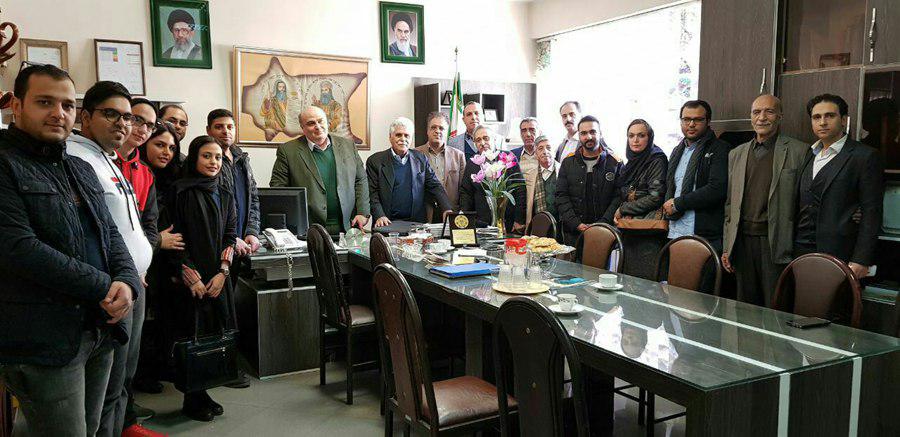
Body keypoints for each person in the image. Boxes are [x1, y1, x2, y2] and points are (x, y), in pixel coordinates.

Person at [0, 64, 139, 436]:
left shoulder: (79, 167)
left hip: (98, 328)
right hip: (44, 337)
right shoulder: (5, 164)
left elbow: (111, 235)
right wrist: (104, 285)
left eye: (67, 105)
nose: (58, 113)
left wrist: (127, 281)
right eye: (44, 102)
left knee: (89, 428)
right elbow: (18, 248)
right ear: (17, 105)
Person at [67, 81, 154, 437]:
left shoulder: (108, 158)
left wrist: (137, 267)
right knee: (103, 391)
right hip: (110, 289)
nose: (123, 124)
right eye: (111, 114)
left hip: (133, 282)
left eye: (127, 117)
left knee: (122, 379)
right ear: (86, 117)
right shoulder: (75, 157)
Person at [167, 136, 237, 421]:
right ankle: (192, 398)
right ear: (194, 157)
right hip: (191, 280)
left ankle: (203, 392)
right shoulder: (179, 192)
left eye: (218, 157)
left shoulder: (225, 193)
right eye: (206, 156)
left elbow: (230, 235)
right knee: (191, 335)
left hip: (217, 279)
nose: (213, 162)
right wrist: (189, 275)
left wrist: (223, 272)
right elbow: (173, 238)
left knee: (213, 334)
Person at [722, 95, 809, 307]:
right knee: (745, 307)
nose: (762, 117)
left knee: (776, 307)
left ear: (780, 116)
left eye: (769, 111)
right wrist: (727, 246)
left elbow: (805, 204)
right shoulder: (736, 154)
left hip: (777, 243)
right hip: (741, 243)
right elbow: (730, 204)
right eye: (756, 112)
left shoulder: (800, 151)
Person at [114, 97, 164, 435]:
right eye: (137, 120)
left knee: (130, 355)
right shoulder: (98, 161)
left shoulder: (144, 172)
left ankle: (126, 420)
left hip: (139, 274)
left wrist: (143, 262)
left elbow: (149, 226)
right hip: (111, 275)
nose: (142, 129)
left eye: (149, 124)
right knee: (112, 359)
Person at [794, 94, 883, 281]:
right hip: (801, 250)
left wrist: (861, 259)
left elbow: (872, 212)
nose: (822, 122)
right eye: (816, 117)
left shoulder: (864, 156)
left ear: (843, 120)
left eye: (830, 116)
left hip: (841, 253)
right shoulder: (808, 154)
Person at [205, 109, 259, 388]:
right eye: (219, 126)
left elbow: (253, 199)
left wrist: (251, 232)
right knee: (220, 310)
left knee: (231, 307)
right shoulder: (208, 159)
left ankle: (228, 363)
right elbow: (213, 209)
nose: (225, 131)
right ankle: (222, 367)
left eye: (229, 126)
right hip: (219, 247)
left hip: (241, 246)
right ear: (209, 130)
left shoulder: (241, 159)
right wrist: (231, 238)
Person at [133, 122, 184, 399]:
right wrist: (157, 241)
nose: (167, 152)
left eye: (172, 148)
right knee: (143, 322)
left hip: (167, 261)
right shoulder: (135, 172)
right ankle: (141, 374)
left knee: (166, 318)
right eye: (160, 145)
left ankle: (160, 365)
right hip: (142, 260)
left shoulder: (174, 177)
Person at [270, 106, 370, 234]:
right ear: (302, 128)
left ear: (327, 122)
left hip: (348, 227)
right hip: (308, 229)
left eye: (320, 121)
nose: (317, 126)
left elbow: (360, 180)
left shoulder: (348, 145)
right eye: (311, 123)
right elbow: (278, 188)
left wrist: (363, 212)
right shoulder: (287, 151)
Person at [662, 100, 729, 253]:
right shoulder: (677, 151)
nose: (691, 124)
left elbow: (717, 189)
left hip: (704, 234)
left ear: (708, 121)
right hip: (674, 230)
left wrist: (678, 204)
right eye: (686, 119)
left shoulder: (720, 149)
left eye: (698, 120)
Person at [604, 119, 668, 280]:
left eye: (641, 135)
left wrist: (623, 209)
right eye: (631, 136)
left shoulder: (656, 159)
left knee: (644, 283)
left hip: (647, 234)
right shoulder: (632, 162)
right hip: (630, 230)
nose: (635, 140)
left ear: (649, 137)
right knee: (627, 280)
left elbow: (655, 197)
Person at [367, 117, 452, 226]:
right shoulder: (375, 161)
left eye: (406, 135)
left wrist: (446, 208)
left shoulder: (421, 158)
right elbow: (372, 193)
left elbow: (435, 185)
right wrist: (379, 215)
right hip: (386, 223)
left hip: (416, 224)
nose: (403, 139)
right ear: (390, 137)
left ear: (411, 138)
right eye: (398, 135)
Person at [555, 115, 623, 246]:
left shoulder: (615, 163)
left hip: (605, 232)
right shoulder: (568, 162)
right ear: (579, 136)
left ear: (600, 134)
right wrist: (575, 223)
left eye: (593, 132)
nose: (589, 136)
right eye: (584, 133)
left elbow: (619, 196)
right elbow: (561, 196)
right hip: (573, 232)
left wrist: (602, 223)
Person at [459, 124, 526, 230]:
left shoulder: (508, 157)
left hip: (508, 222)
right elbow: (466, 193)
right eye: (478, 140)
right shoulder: (472, 163)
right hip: (482, 223)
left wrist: (519, 220)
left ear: (494, 139)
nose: (482, 143)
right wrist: (465, 220)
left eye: (486, 138)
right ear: (475, 144)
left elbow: (520, 189)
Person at [416, 111, 466, 222]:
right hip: (424, 213)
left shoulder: (458, 156)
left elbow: (464, 190)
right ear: (427, 131)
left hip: (450, 212)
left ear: (447, 131)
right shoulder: (415, 154)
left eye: (441, 128)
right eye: (433, 127)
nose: (437, 131)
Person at [511, 117, 542, 226]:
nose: (528, 134)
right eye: (524, 131)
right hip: (517, 210)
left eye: (532, 130)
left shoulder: (546, 155)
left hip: (539, 207)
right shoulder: (512, 155)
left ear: (539, 132)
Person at [530, 136, 560, 223]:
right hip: (539, 224)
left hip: (562, 223)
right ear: (536, 154)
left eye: (548, 148)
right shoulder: (531, 175)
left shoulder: (563, 170)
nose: (545, 152)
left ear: (554, 152)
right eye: (540, 148)